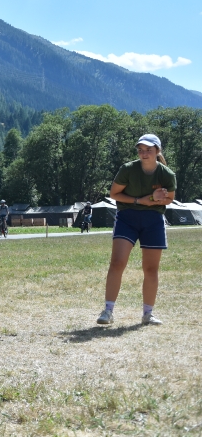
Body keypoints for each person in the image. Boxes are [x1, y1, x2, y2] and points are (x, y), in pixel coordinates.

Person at [97, 134, 175, 326]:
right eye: (141, 150)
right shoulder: (128, 169)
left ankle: (148, 314)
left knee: (151, 269)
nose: (144, 153)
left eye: (148, 150)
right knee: (117, 263)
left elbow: (169, 199)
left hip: (153, 220)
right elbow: (114, 194)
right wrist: (142, 200)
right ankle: (108, 311)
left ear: (157, 151)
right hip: (127, 218)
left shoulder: (167, 174)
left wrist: (154, 199)